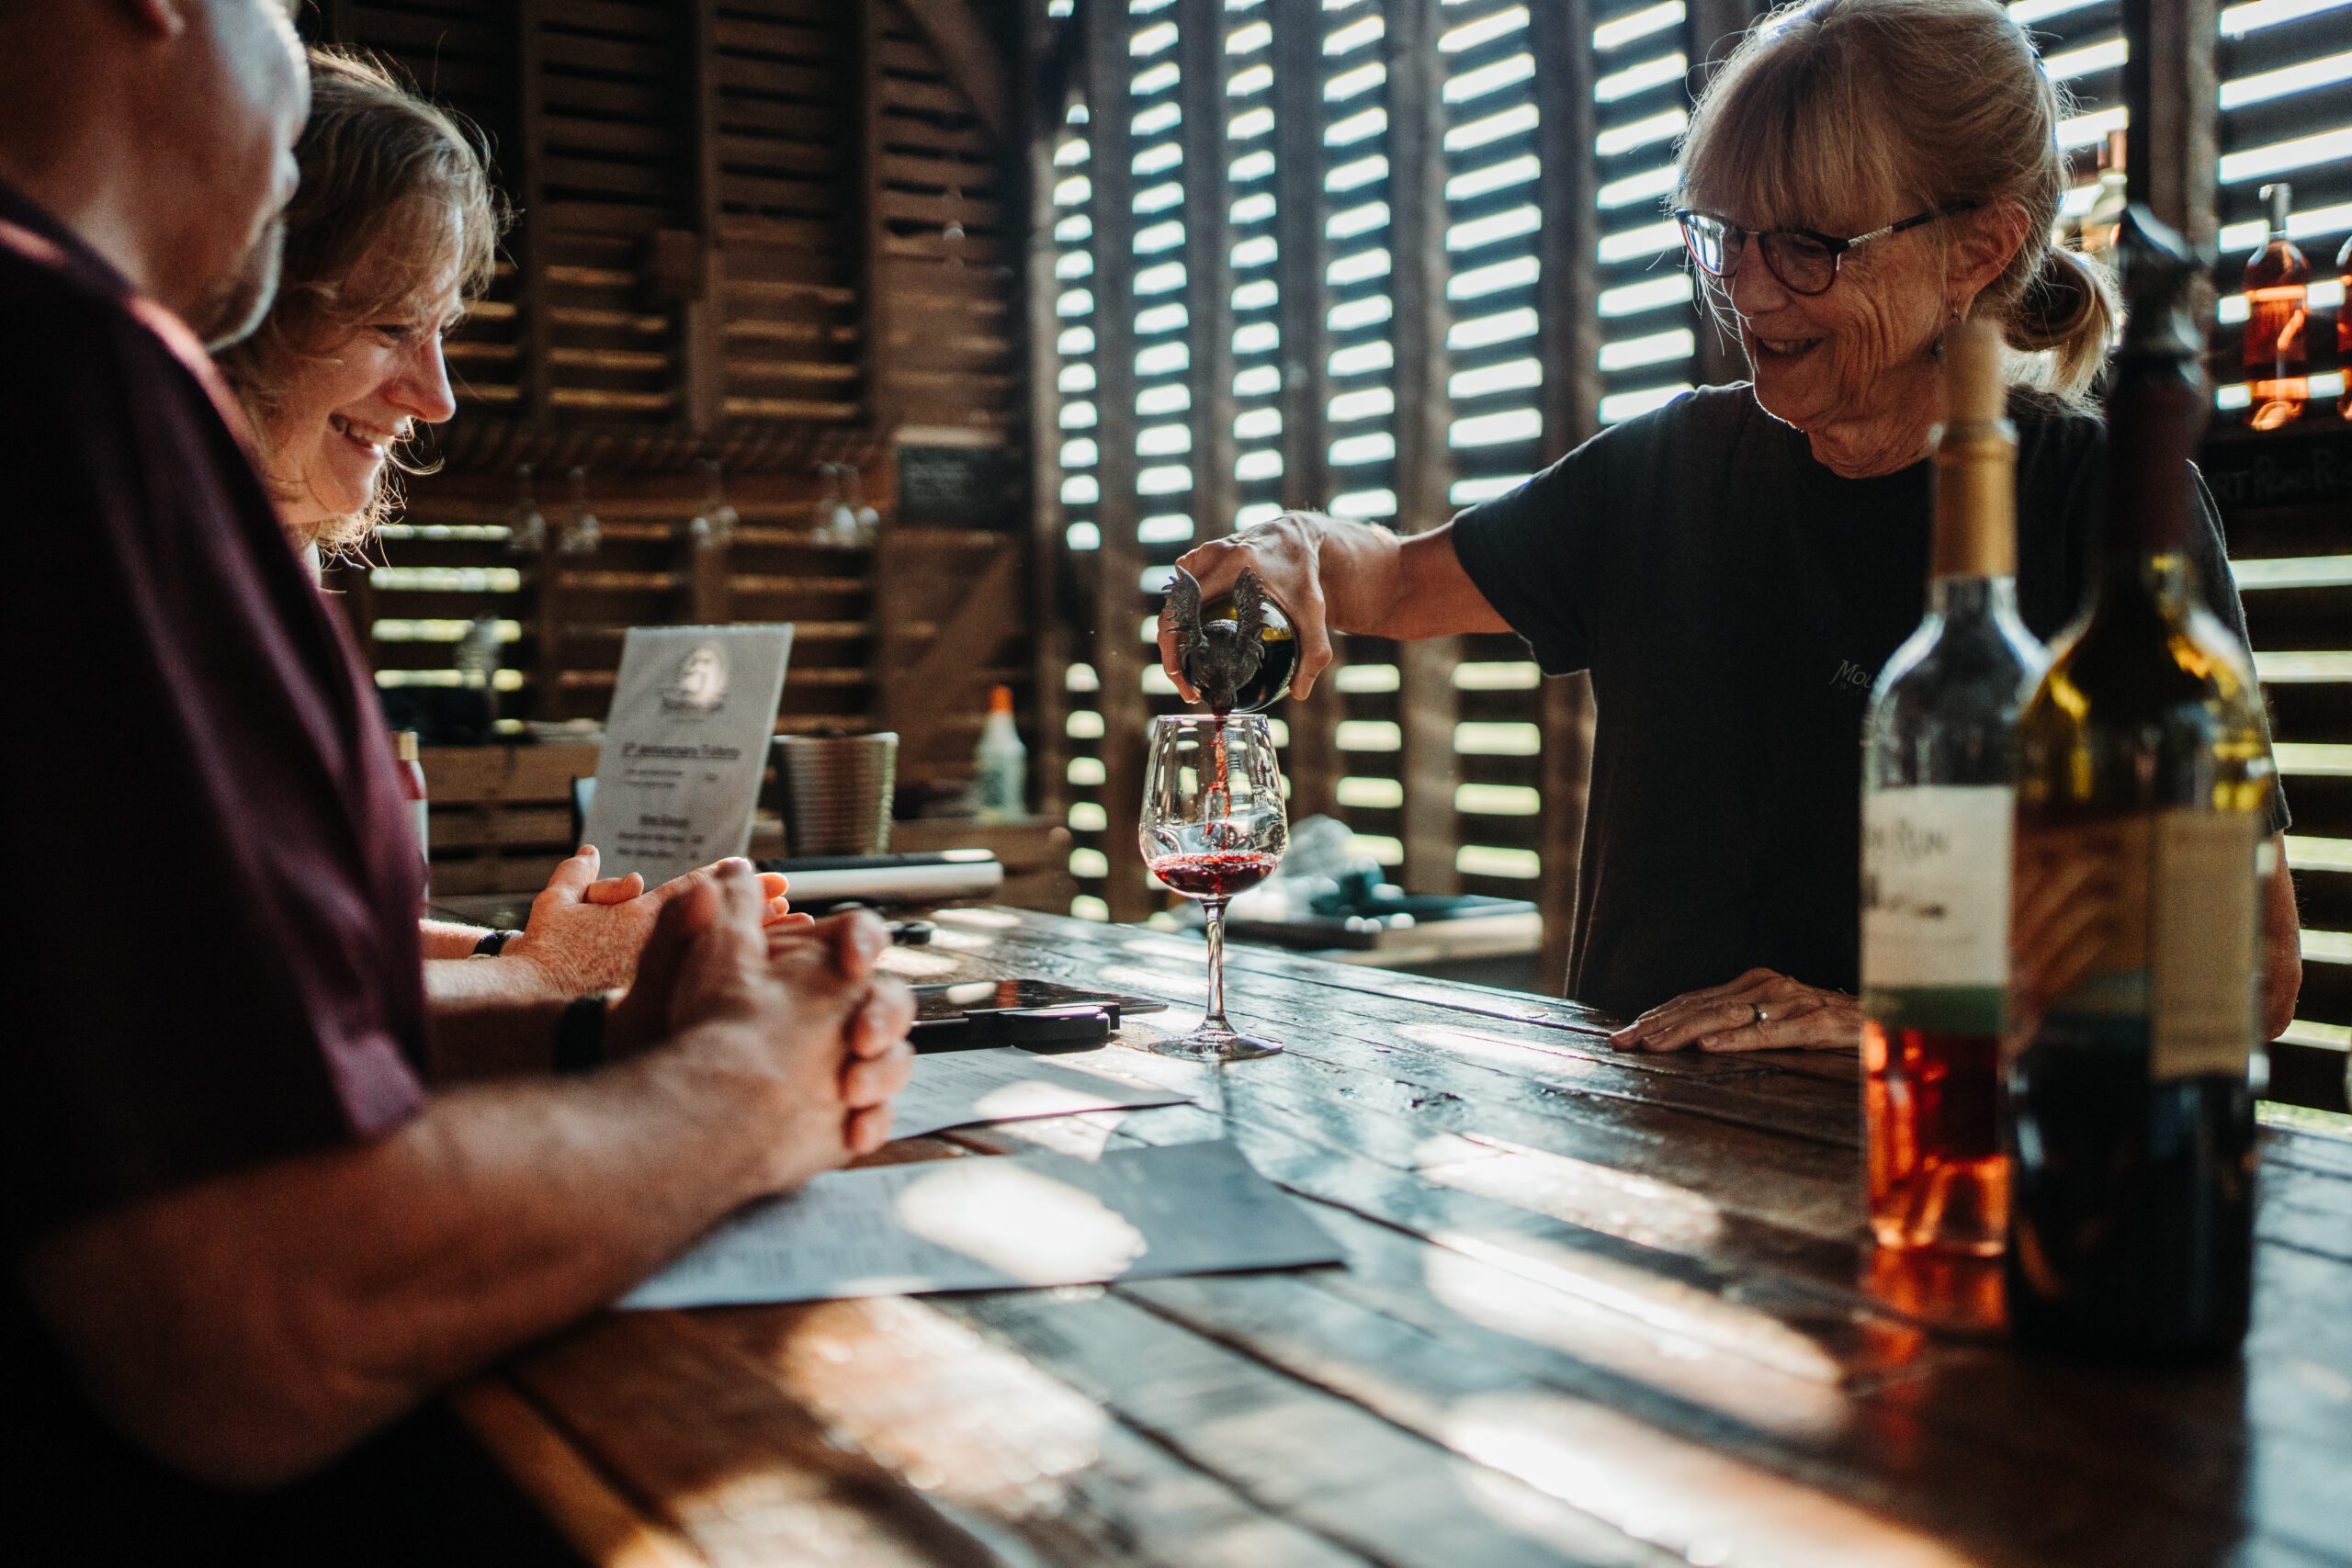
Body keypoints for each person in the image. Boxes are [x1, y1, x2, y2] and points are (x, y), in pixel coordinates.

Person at [0, 4, 912, 1556]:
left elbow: (130, 1059)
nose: (434, 396)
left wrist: (589, 1048)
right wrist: (742, 1099)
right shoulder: (72, 367)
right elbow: (254, 1312)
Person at [1163, 0, 2300, 1053]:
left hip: (1955, 1188)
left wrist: (1879, 1028)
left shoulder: (2098, 508)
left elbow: (2249, 972)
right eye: (1724, 236)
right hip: (1637, 1165)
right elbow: (1396, 583)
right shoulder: (1667, 467)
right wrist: (1294, 546)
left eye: (1808, 245)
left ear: (1978, 250)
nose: (1747, 292)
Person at [214, 49, 807, 1008]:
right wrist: (548, 979)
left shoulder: (255, 591)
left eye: (441, 329)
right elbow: (231, 1007)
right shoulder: (117, 594)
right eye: (388, 326)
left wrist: (564, 949)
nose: (437, 397)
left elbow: (318, 943)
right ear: (243, 301)